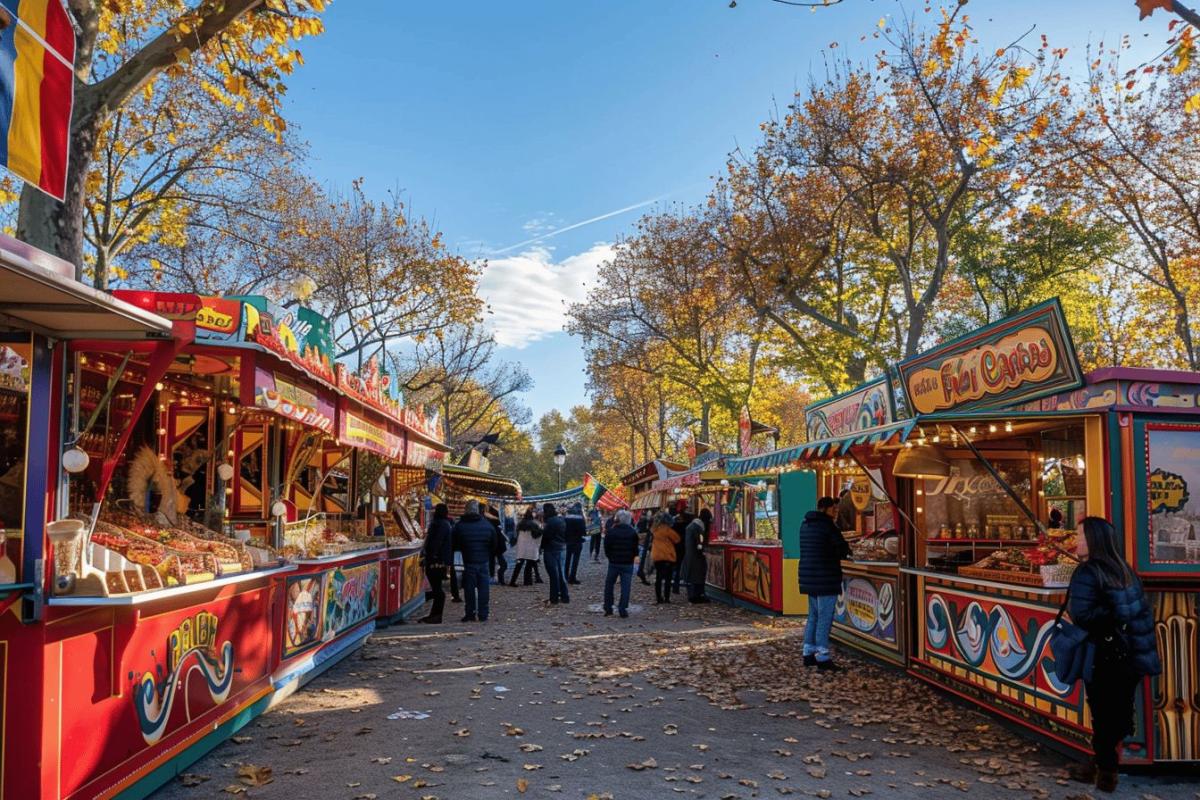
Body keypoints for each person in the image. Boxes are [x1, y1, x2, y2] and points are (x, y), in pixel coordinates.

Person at [1067, 517, 1161, 793]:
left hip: (1105, 652)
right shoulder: (1124, 569)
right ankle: (1102, 762)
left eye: (1080, 535)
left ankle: (1106, 771)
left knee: (1102, 712)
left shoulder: (1088, 572)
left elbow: (1082, 616)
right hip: (1132, 652)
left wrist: (1114, 616)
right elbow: (1138, 611)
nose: (1076, 540)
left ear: (1094, 540)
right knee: (1117, 710)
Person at [798, 496, 852, 671]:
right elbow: (842, 549)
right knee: (824, 617)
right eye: (834, 510)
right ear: (826, 509)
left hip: (809, 577)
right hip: (825, 576)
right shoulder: (828, 526)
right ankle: (822, 656)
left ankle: (808, 652)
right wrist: (848, 552)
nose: (836, 513)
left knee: (813, 616)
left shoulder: (805, 524)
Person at [452, 500, 498, 622]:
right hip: (483, 561)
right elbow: (494, 544)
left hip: (468, 561)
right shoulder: (487, 525)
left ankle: (470, 613)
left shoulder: (460, 526)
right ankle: (483, 613)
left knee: (469, 589)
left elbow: (455, 544)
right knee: (484, 588)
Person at [602, 509, 640, 617]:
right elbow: (635, 548)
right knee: (626, 586)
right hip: (627, 563)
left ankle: (608, 607)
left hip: (614, 562)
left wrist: (610, 557)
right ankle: (623, 609)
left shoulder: (611, 531)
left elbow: (606, 547)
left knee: (609, 585)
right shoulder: (633, 532)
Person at [419, 503, 452, 624]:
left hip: (436, 562)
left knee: (437, 588)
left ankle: (436, 615)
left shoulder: (440, 525)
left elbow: (436, 542)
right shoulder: (445, 524)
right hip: (440, 560)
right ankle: (434, 614)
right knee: (436, 587)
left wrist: (431, 556)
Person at [650, 511, 681, 604]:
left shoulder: (654, 529)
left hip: (657, 556)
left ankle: (659, 598)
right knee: (668, 578)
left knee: (658, 578)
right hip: (667, 556)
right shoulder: (667, 530)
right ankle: (667, 598)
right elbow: (677, 539)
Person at [541, 503, 569, 604]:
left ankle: (554, 598)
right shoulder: (561, 520)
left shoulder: (550, 522)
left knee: (553, 575)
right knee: (561, 574)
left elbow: (546, 537)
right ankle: (565, 596)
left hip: (551, 549)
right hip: (561, 548)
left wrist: (541, 547)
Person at [683, 508, 712, 603]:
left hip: (690, 555)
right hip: (696, 557)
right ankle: (697, 595)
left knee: (692, 576)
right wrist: (702, 552)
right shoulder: (698, 528)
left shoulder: (691, 526)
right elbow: (700, 543)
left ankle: (693, 595)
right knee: (698, 575)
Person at [510, 507, 543, 586]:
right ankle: (527, 581)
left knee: (518, 565)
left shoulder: (520, 524)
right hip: (531, 547)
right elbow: (537, 536)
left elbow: (516, 535)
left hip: (521, 547)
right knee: (529, 565)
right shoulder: (534, 525)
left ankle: (512, 581)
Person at [564, 502, 588, 584]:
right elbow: (583, 532)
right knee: (575, 560)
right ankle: (572, 577)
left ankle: (565, 576)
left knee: (567, 559)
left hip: (568, 541)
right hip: (577, 541)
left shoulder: (566, 517)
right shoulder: (580, 518)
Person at [670, 508, 691, 596]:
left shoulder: (674, 526)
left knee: (677, 568)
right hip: (685, 548)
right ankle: (688, 588)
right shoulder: (688, 526)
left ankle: (675, 586)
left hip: (676, 548)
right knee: (686, 568)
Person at [635, 512, 653, 585]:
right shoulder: (648, 532)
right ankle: (642, 574)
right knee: (643, 562)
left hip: (639, 547)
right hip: (644, 548)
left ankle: (640, 574)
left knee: (639, 562)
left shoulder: (638, 530)